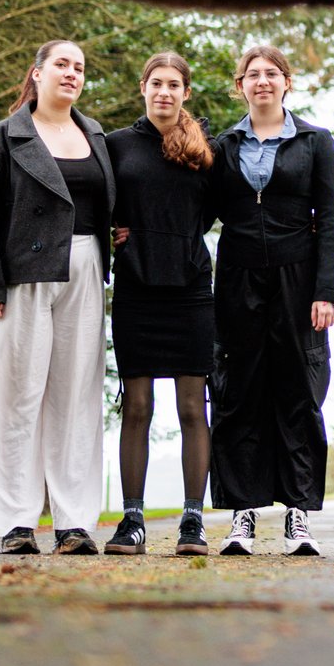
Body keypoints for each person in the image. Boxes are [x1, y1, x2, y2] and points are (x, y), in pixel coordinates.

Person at [0, 39, 116, 554]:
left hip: (86, 269)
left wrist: (122, 232)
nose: (71, 74)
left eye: (79, 68)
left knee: (76, 396)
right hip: (21, 274)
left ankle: (73, 523)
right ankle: (16, 523)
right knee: (16, 397)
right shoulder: (5, 138)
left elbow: (104, 201)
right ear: (38, 74)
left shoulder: (93, 134)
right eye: (62, 65)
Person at [206, 43, 334, 555]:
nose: (262, 81)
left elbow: (329, 220)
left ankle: (298, 515)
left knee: (299, 392)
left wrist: (327, 291)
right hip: (238, 279)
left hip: (299, 281)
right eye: (252, 74)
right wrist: (142, 231)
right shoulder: (222, 147)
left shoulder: (315, 142)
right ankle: (242, 513)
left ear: (287, 82)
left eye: (272, 73)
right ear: (240, 85)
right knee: (239, 391)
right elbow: (199, 213)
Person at [103, 51, 218, 555]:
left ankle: (193, 522)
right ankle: (132, 522)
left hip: (191, 290)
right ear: (143, 88)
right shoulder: (115, 145)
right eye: (157, 83)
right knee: (139, 408)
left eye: (174, 84)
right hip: (135, 289)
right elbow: (97, 203)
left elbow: (216, 212)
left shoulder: (205, 149)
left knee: (193, 407)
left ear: (185, 92)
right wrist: (111, 234)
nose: (165, 92)